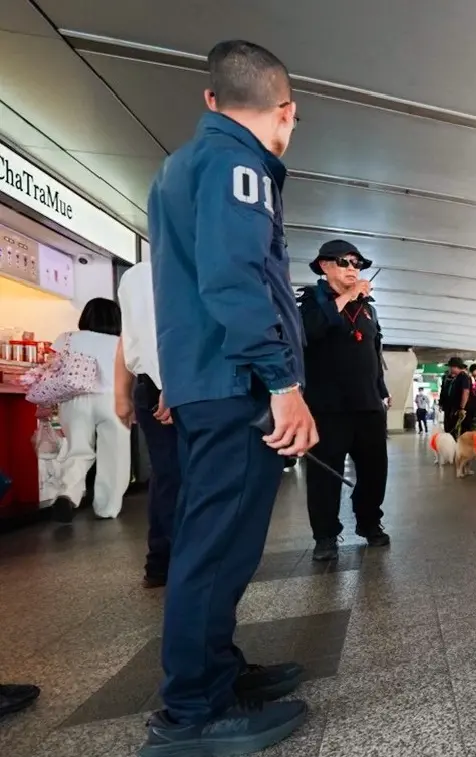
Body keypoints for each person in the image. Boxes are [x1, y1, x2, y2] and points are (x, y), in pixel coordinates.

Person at [144, 39, 313, 754]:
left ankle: (215, 671)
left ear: (210, 100)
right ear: (286, 111)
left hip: (206, 382)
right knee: (215, 549)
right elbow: (237, 281)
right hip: (235, 382)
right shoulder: (242, 166)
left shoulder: (181, 166)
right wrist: (282, 383)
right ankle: (190, 712)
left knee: (213, 540)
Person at [297, 240, 391, 563]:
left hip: (367, 404)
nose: (353, 269)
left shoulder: (368, 308)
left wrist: (382, 390)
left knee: (374, 468)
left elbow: (374, 352)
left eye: (357, 264)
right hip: (328, 406)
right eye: (345, 262)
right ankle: (325, 535)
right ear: (324, 266)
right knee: (325, 475)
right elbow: (308, 332)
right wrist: (349, 295)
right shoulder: (311, 301)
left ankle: (369, 522)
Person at [115, 260, 180, 589]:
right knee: (178, 475)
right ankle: (168, 560)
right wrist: (169, 384)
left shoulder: (133, 275)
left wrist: (121, 395)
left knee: (168, 475)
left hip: (156, 383)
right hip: (173, 383)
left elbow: (128, 337)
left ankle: (162, 561)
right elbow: (164, 331)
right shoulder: (182, 266)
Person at [47, 297, 130, 523]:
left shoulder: (66, 338)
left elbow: (53, 370)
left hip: (75, 399)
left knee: (78, 450)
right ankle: (107, 508)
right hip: (112, 400)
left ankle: (67, 494)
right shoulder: (122, 342)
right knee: (115, 454)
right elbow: (131, 373)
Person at [444, 357, 476, 438]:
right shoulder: (457, 377)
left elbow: (466, 392)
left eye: (450, 367)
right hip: (458, 409)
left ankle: (463, 448)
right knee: (457, 431)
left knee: (463, 432)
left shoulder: (463, 376)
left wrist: (462, 408)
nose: (449, 369)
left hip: (465, 410)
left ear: (455, 367)